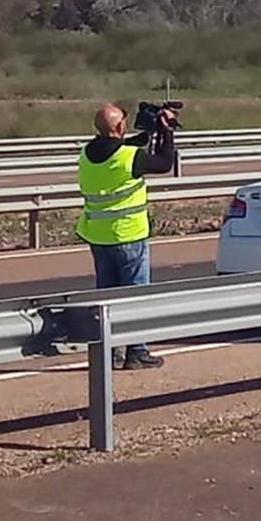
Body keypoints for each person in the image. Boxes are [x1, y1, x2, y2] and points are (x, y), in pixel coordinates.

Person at [77, 102, 177, 370]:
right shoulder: (128, 157)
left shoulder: (86, 153)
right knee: (134, 295)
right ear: (119, 126)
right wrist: (167, 132)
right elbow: (164, 163)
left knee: (106, 296)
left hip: (98, 236)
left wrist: (151, 131)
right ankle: (137, 351)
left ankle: (108, 352)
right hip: (128, 234)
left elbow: (119, 147)